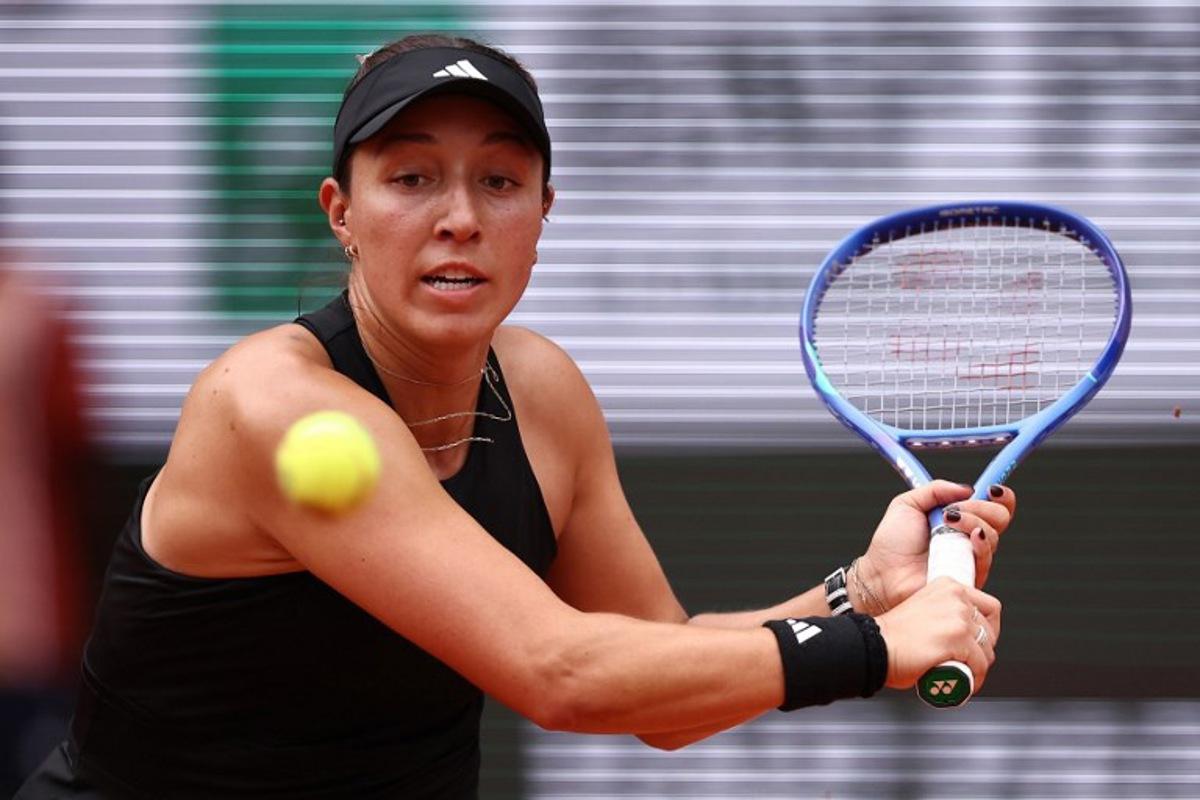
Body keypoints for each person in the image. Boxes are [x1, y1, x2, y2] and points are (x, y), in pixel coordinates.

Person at [17, 33, 1014, 799]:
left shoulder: (539, 389)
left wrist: (861, 593)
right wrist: (876, 653)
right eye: (410, 178)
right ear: (341, 212)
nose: (459, 215)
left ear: (543, 213)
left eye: (499, 180)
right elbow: (558, 670)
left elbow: (655, 677)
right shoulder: (268, 402)